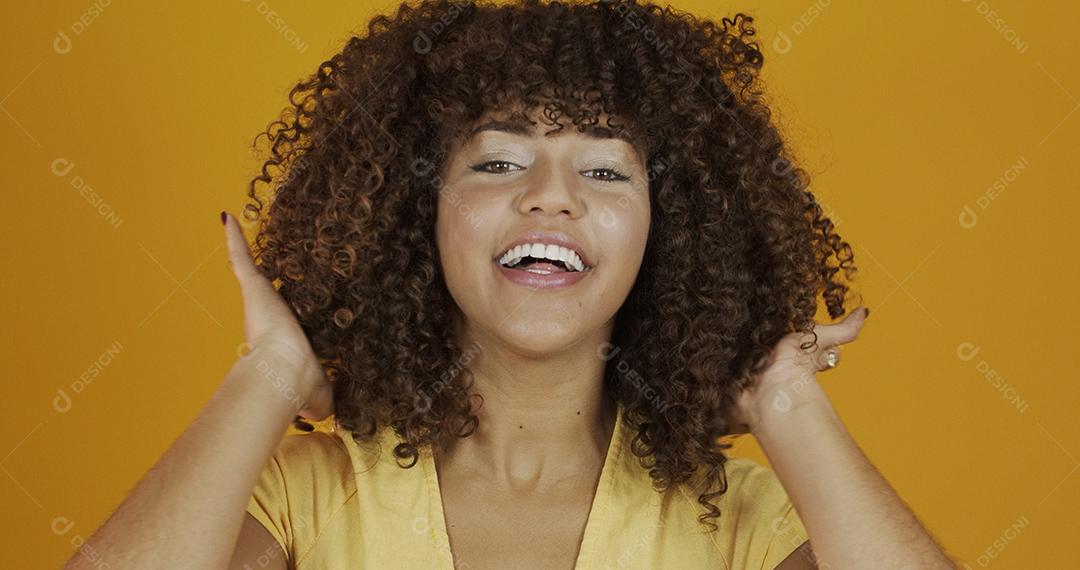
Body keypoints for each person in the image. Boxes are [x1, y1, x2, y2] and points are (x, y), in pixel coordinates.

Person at [66, 0, 959, 568]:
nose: (549, 199)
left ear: (670, 231)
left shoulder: (743, 521)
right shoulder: (305, 492)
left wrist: (788, 404)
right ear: (422, 210)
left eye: (606, 173)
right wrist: (266, 377)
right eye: (498, 161)